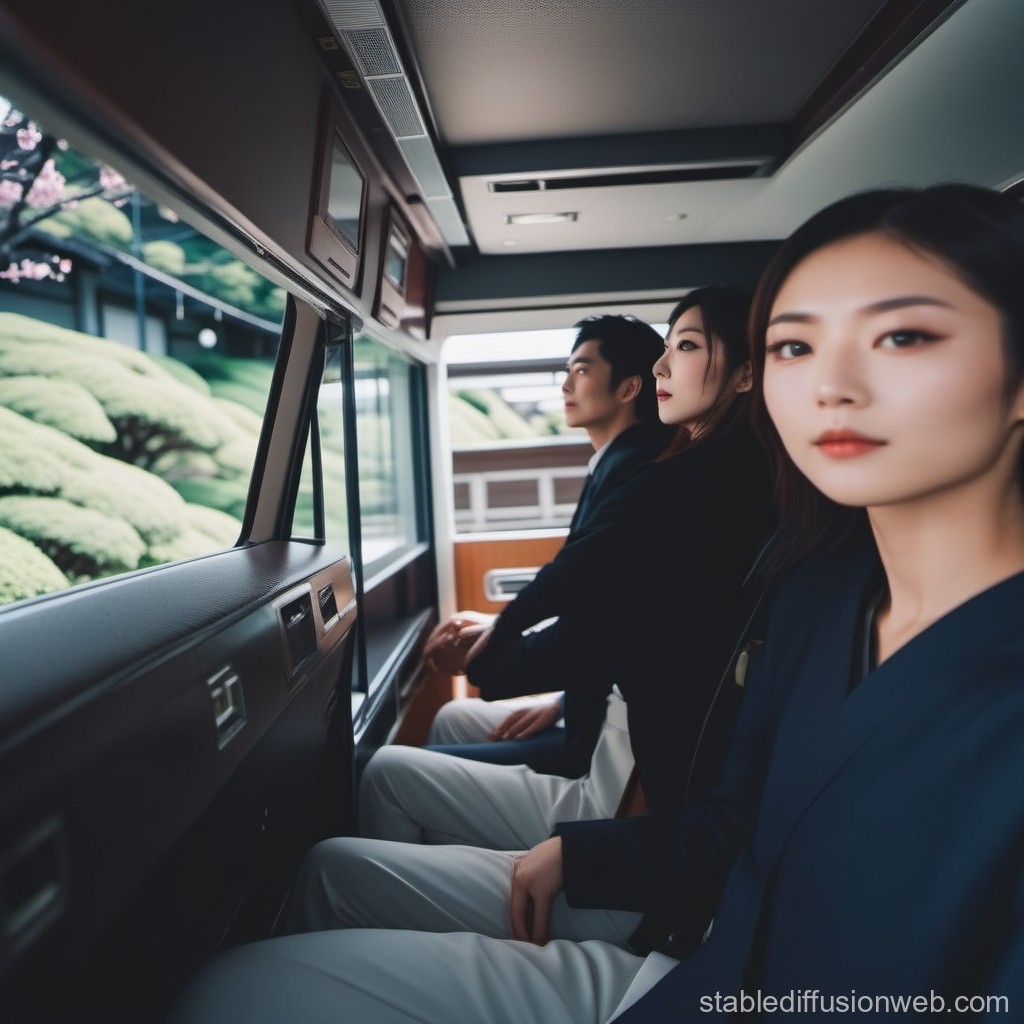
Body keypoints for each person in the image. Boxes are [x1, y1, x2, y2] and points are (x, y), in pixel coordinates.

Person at [170, 184, 1024, 1023]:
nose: (831, 385)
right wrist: (582, 851)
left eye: (904, 336)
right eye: (795, 347)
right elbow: (738, 825)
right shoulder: (817, 601)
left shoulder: (719, 521)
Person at [358, 287, 772, 848]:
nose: (660, 367)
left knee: (383, 776)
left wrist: (496, 649)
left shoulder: (677, 483)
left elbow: (587, 597)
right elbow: (605, 605)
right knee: (442, 730)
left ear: (746, 376)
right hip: (615, 733)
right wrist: (520, 656)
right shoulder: (677, 473)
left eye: (687, 345)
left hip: (621, 770)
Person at [425, 313, 668, 779]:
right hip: (586, 704)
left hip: (598, 741)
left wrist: (492, 649)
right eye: (566, 372)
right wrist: (555, 697)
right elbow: (595, 601)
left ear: (629, 388)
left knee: (383, 773)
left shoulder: (637, 472)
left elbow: (593, 609)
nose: (565, 386)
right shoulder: (614, 465)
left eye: (581, 370)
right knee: (449, 719)